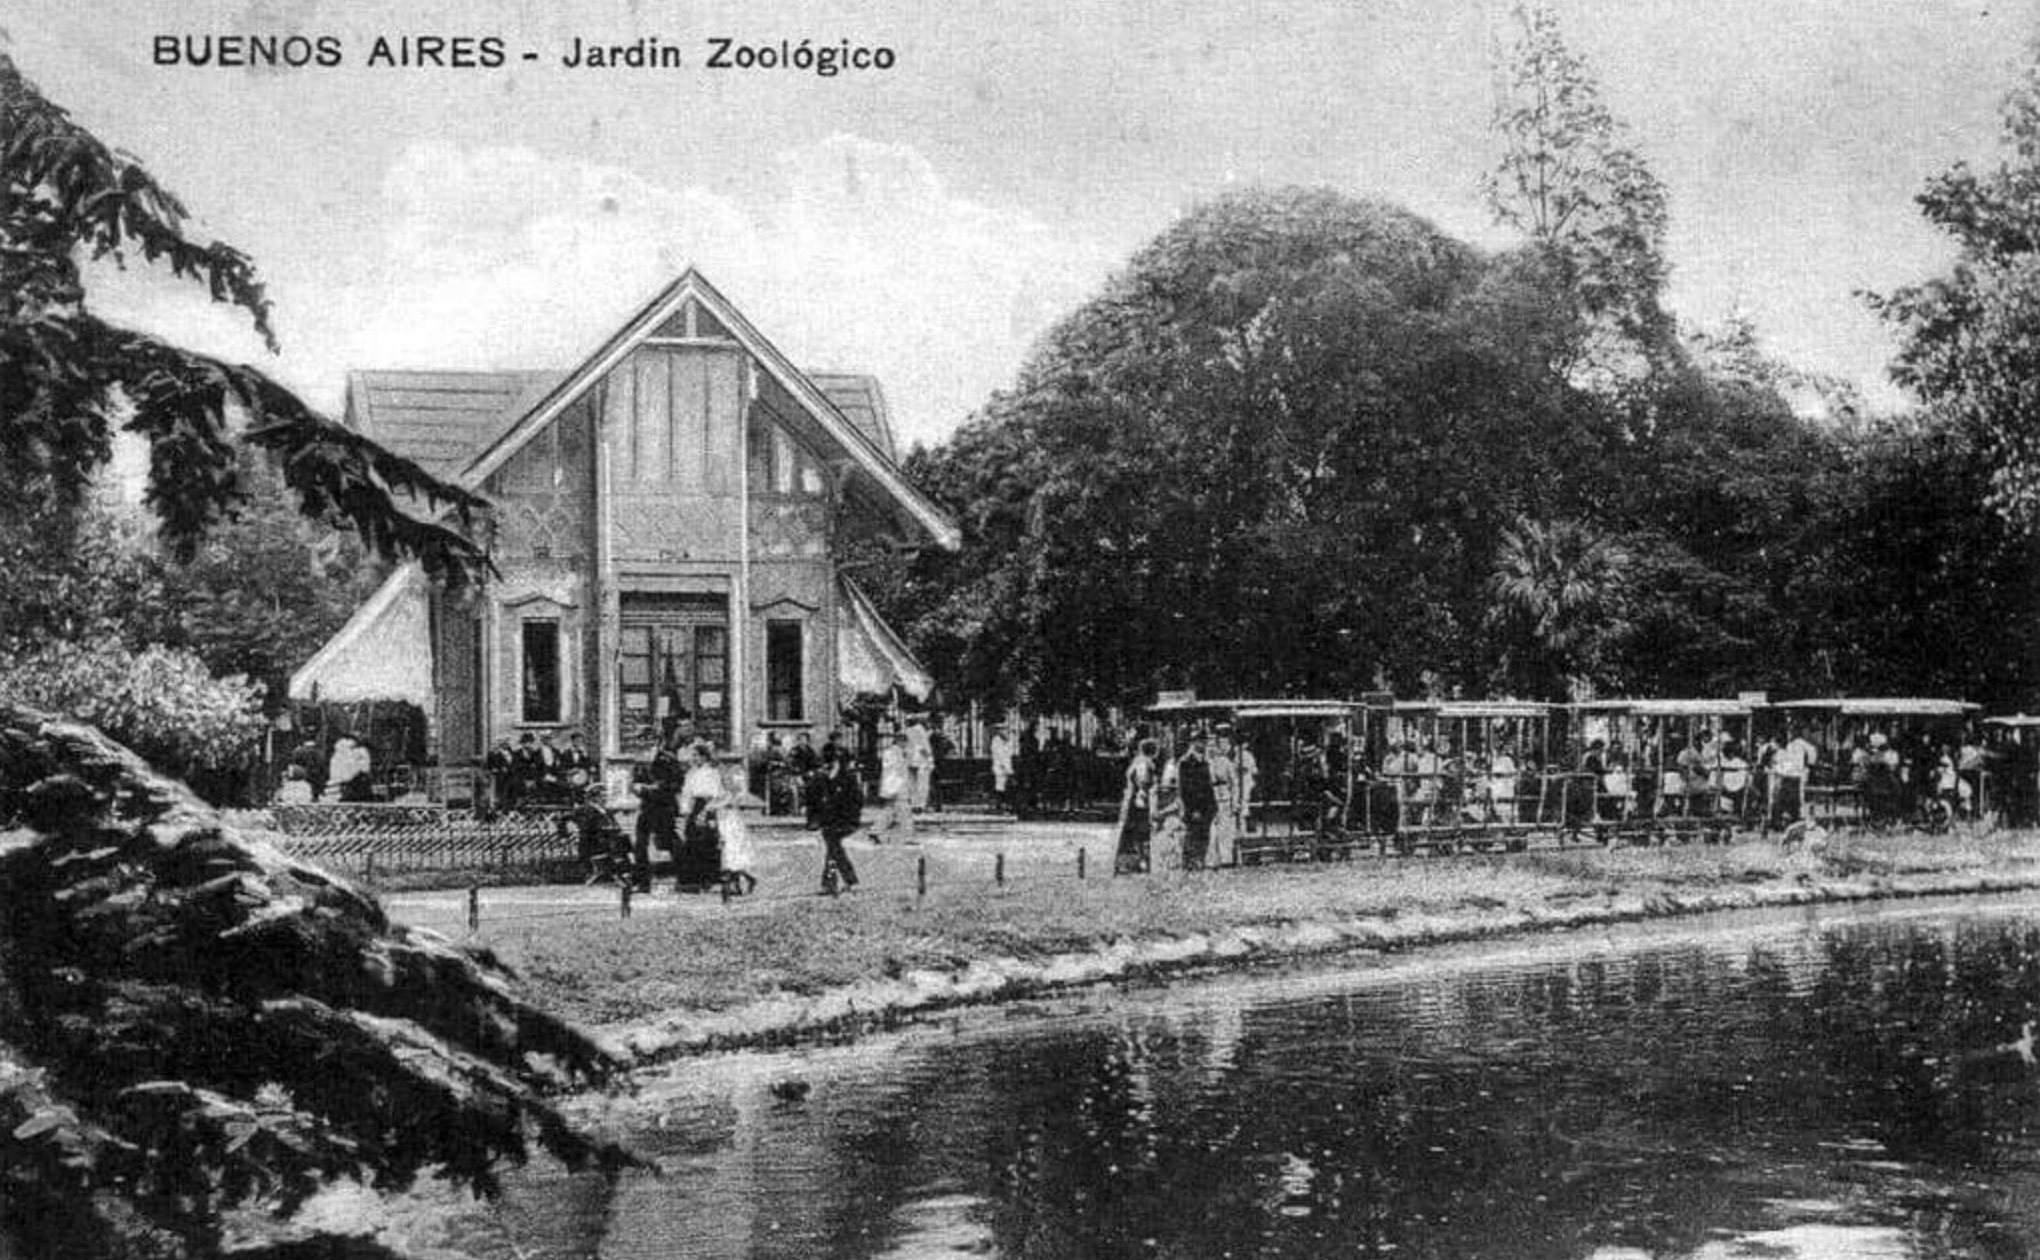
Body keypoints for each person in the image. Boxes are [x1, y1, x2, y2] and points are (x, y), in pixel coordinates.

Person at [675, 742, 726, 892]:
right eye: (693, 756)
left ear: (704, 757)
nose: (694, 759)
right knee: (692, 840)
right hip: (695, 807)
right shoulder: (691, 773)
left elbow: (716, 794)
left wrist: (706, 811)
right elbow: (687, 793)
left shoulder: (712, 773)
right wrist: (685, 811)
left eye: (696, 756)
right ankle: (693, 880)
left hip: (707, 806)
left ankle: (709, 878)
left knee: (707, 841)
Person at [631, 743, 682, 892]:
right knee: (640, 843)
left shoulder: (668, 759)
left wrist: (655, 788)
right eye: (643, 740)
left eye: (649, 740)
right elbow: (635, 781)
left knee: (669, 842)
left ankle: (685, 877)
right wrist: (636, 788)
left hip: (664, 808)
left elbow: (677, 783)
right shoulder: (640, 760)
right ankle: (642, 882)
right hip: (647, 807)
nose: (645, 744)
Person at [815, 746, 863, 892]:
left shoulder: (848, 779)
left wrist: (847, 816)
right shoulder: (825, 778)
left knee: (833, 847)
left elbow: (857, 801)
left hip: (845, 820)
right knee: (833, 849)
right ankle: (835, 883)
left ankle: (844, 881)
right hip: (831, 821)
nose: (828, 766)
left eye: (832, 763)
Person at [1114, 738, 1160, 875]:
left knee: (1133, 833)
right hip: (1139, 802)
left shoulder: (1138, 761)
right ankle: (1138, 862)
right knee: (1141, 832)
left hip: (1133, 801)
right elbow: (1143, 781)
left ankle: (1131, 863)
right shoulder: (1144, 762)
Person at [717, 760, 758, 897]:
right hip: (722, 817)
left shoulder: (736, 782)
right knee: (728, 853)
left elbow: (737, 799)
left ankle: (732, 885)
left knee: (731, 851)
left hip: (732, 819)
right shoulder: (720, 780)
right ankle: (745, 880)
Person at [1770, 724, 1818, 831]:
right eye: (1788, 732)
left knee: (1795, 800)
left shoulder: (1802, 744)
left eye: (1792, 731)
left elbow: (1813, 754)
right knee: (1782, 799)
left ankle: (1794, 821)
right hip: (1787, 775)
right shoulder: (1787, 746)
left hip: (1797, 775)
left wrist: (1808, 766)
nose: (1790, 734)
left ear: (1797, 732)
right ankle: (1779, 822)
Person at [1208, 731, 1241, 868]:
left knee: (1225, 830)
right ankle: (1212, 860)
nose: (1210, 749)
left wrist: (1235, 801)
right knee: (1211, 831)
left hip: (1224, 797)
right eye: (1208, 745)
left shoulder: (1225, 762)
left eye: (1212, 745)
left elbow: (1234, 783)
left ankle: (1226, 859)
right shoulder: (1203, 762)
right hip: (1209, 797)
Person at [877, 730, 914, 837]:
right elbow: (897, 770)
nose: (906, 744)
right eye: (904, 742)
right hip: (897, 786)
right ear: (899, 741)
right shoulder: (895, 753)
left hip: (893, 786)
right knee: (905, 811)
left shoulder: (893, 752)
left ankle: (876, 831)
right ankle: (908, 836)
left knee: (889, 810)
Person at [327, 735, 373, 803]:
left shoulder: (360, 753)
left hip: (354, 790)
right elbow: (345, 777)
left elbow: (365, 769)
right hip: (342, 791)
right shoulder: (339, 757)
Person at [905, 716, 935, 813]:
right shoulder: (919, 730)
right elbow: (923, 747)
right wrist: (930, 759)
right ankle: (921, 805)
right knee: (922, 783)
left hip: (910, 759)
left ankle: (914, 804)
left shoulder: (907, 731)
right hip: (921, 760)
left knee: (912, 783)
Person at [989, 722, 1016, 813]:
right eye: (1001, 729)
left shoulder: (1007, 741)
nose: (1004, 731)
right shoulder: (996, 741)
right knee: (1000, 787)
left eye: (1005, 729)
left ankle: (1006, 805)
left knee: (1007, 787)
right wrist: (1008, 769)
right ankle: (1000, 806)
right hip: (1000, 767)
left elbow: (1009, 755)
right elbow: (1000, 756)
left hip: (1007, 766)